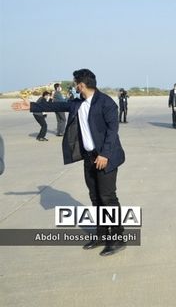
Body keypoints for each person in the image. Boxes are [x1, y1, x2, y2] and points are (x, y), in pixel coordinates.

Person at [12, 69, 127, 256]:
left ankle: (118, 238)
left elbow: (112, 132)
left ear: (81, 85)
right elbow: (56, 106)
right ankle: (101, 234)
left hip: (107, 157)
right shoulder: (77, 103)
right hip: (89, 158)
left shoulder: (106, 103)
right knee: (95, 197)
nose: (74, 86)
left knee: (108, 198)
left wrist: (104, 155)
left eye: (75, 83)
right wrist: (31, 107)